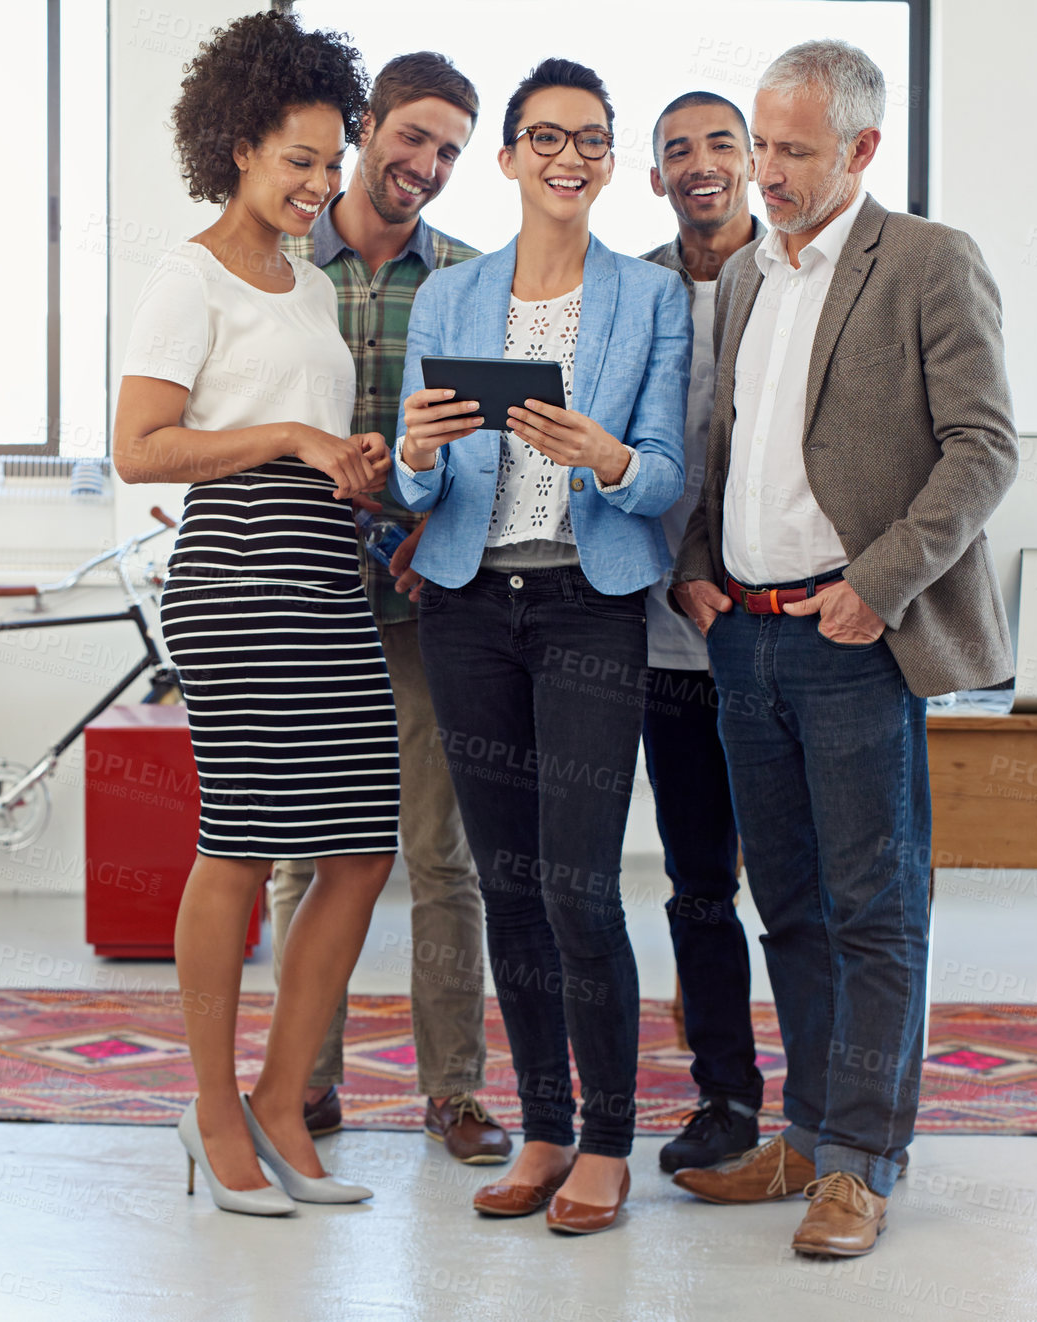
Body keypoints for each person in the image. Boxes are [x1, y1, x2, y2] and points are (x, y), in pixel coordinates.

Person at [669, 40, 1018, 1257]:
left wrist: (876, 587)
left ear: (863, 149)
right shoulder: (749, 278)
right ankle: (812, 1136)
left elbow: (983, 449)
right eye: (759, 144)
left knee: (875, 907)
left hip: (853, 636)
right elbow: (726, 447)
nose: (762, 170)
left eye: (792, 151)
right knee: (795, 907)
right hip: (748, 644)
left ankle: (862, 1160)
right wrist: (695, 564)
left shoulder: (928, 262)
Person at [394, 58, 691, 1236]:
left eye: (593, 139)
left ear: (610, 162)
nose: (571, 157)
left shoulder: (649, 300)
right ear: (510, 157)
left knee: (579, 885)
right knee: (508, 883)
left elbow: (666, 473)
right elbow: (423, 480)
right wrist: (414, 446)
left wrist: (606, 457)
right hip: (467, 607)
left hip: (588, 604)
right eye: (547, 137)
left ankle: (610, 1137)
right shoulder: (448, 300)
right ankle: (543, 1125)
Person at [112, 12, 397, 1216]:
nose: (322, 185)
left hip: (328, 572)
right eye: (301, 160)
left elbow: (302, 425)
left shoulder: (308, 286)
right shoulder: (188, 275)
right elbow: (138, 448)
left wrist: (353, 462)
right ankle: (214, 1107)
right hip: (237, 583)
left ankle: (284, 1095)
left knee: (363, 845)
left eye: (335, 162)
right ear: (238, 145)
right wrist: (290, 436)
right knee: (240, 839)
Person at [272, 51, 511, 1165]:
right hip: (302, 599)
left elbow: (498, 443)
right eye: (413, 136)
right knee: (297, 854)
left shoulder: (468, 280)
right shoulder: (276, 266)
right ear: (368, 125)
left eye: (451, 151)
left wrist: (438, 526)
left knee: (438, 855)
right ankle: (303, 1083)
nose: (427, 164)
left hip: (424, 604)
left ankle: (453, 1092)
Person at [638, 91, 768, 1174]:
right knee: (697, 884)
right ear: (657, 178)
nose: (700, 164)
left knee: (802, 881)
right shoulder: (634, 293)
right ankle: (725, 1096)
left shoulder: (803, 280)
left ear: (756, 160)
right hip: (667, 644)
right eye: (677, 151)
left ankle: (832, 1103)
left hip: (787, 635)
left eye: (720, 143)